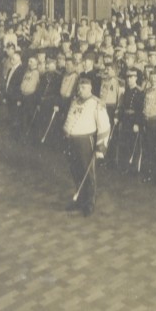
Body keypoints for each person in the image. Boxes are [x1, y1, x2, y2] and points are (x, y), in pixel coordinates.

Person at [61, 76, 111, 217]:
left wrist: (100, 147)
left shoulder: (96, 103)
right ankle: (80, 198)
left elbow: (105, 126)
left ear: (90, 88)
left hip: (85, 142)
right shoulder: (75, 101)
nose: (80, 89)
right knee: (75, 170)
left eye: (84, 87)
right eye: (79, 87)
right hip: (72, 141)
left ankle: (89, 202)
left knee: (87, 172)